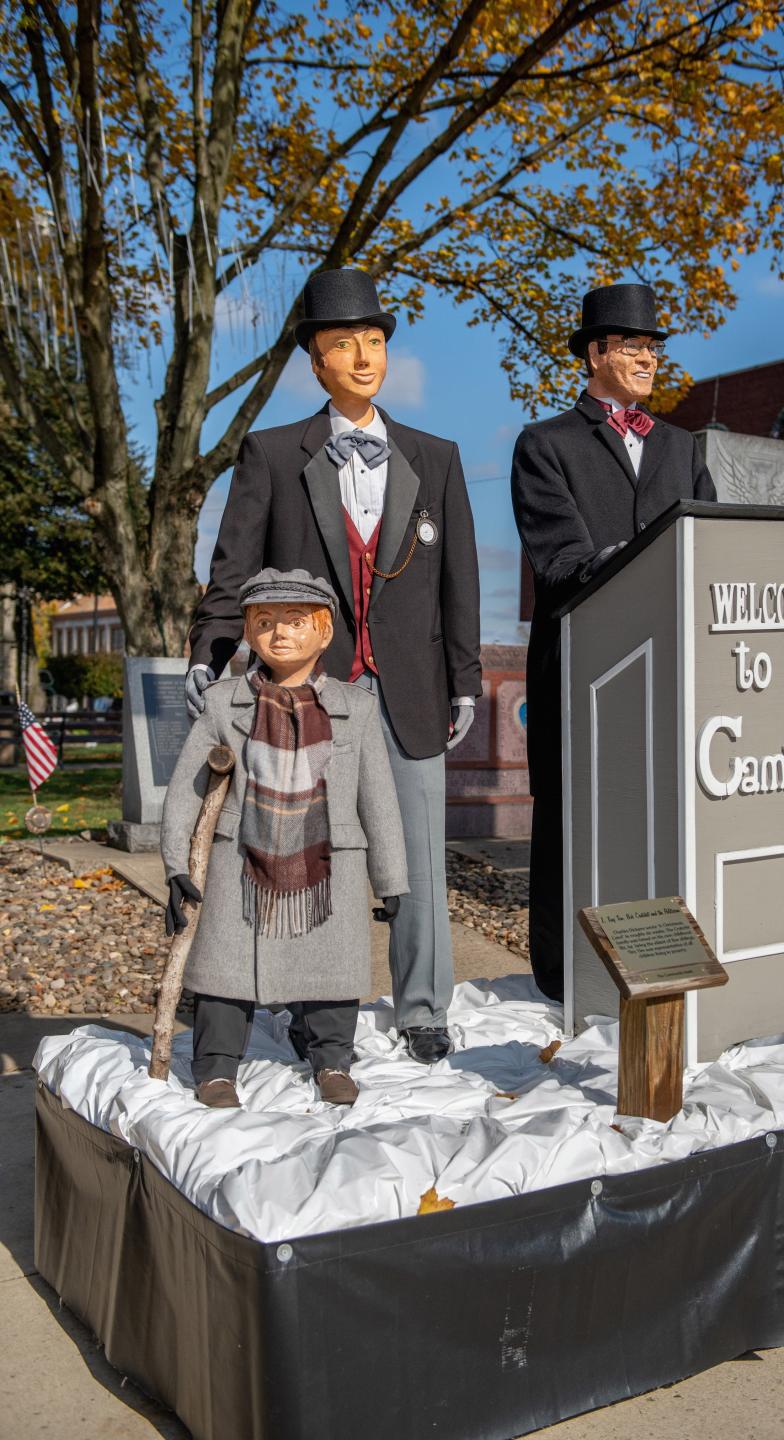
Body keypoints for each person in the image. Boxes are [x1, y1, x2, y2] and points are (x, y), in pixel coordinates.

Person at [185, 269, 482, 1063]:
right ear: (314, 363)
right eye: (342, 344)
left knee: (415, 850)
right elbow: (233, 567)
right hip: (308, 688)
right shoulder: (275, 454)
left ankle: (423, 1004)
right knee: (298, 850)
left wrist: (464, 677)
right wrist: (212, 654)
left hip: (410, 685)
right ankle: (295, 997)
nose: (363, 357)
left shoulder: (437, 458)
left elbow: (459, 582)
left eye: (375, 342)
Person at [511, 283, 717, 1001]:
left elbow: (710, 548)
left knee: (655, 813)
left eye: (653, 348)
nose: (648, 358)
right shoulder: (545, 445)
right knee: (572, 819)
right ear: (595, 352)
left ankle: (657, 963)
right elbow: (561, 558)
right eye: (633, 346)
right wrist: (632, 559)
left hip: (667, 671)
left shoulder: (683, 447)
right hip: (581, 664)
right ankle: (562, 975)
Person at [162, 568, 409, 1108]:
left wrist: (391, 878)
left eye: (297, 622)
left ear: (324, 633)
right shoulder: (224, 704)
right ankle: (216, 1069)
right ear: (248, 633)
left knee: (332, 972)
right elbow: (187, 789)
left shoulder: (357, 708)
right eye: (266, 622)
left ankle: (333, 1061)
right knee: (224, 972)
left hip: (328, 864)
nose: (281, 634)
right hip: (239, 861)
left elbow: (379, 799)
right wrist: (176, 867)